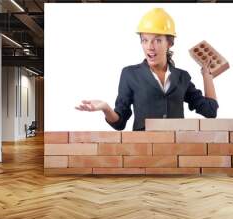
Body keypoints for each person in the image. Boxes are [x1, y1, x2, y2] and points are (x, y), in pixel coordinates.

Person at [76, 8, 218, 131]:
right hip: (143, 150)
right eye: (145, 40)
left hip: (176, 148)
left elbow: (210, 111)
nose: (150, 46)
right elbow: (120, 123)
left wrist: (207, 75)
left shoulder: (182, 77)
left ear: (169, 43)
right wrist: (105, 108)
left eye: (157, 40)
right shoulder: (130, 74)